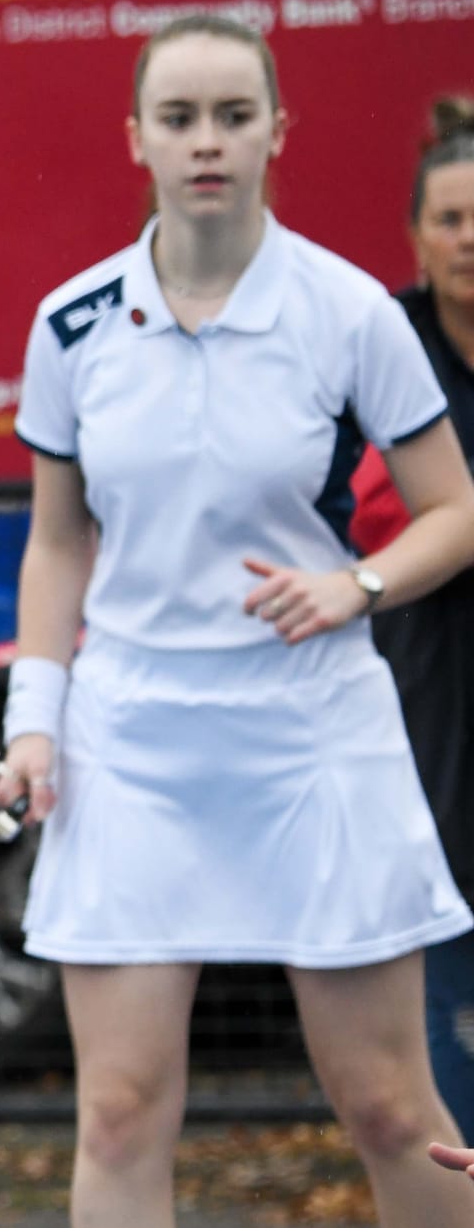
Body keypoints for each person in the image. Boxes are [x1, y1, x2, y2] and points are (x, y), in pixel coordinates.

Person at [0, 13, 474, 1228]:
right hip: (131, 737)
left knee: (388, 1107)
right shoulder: (70, 323)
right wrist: (32, 723)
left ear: (274, 132)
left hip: (314, 728)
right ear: (135, 139)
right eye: (178, 118)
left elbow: (454, 512)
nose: (204, 141)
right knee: (116, 1110)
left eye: (231, 115)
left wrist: (356, 586)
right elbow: (56, 543)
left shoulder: (348, 312)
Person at [348, 97, 474, 1146]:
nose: (468, 239)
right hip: (427, 682)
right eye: (449, 219)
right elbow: (369, 513)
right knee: (440, 971)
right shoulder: (385, 346)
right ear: (416, 237)